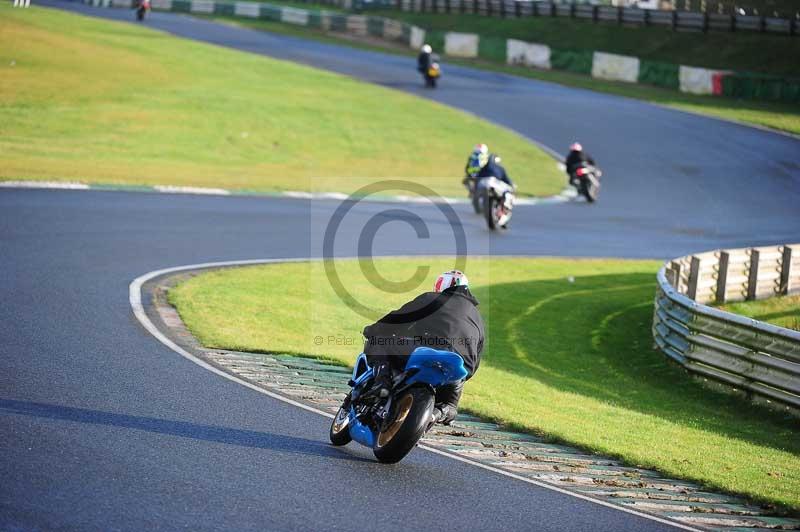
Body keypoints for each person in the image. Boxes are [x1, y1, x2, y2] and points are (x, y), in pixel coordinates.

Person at [362, 270, 485, 425]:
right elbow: (477, 358)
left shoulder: (432, 298)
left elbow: (399, 318)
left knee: (378, 341)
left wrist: (374, 330)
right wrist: (463, 376)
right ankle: (437, 414)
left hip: (427, 350)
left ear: (441, 285)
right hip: (460, 366)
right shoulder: (478, 318)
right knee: (450, 406)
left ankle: (382, 384)